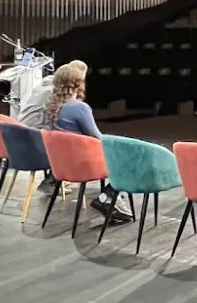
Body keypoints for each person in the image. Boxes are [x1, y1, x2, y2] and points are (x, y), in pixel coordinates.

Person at [45, 64, 134, 223]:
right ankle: (109, 196)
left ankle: (112, 199)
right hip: (82, 165)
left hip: (60, 165)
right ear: (78, 84)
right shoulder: (79, 108)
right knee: (129, 157)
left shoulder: (51, 107)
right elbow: (96, 137)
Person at [18, 60, 88, 193]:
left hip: (22, 135)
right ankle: (53, 180)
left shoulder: (43, 86)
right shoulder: (56, 93)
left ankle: (55, 178)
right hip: (35, 139)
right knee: (70, 139)